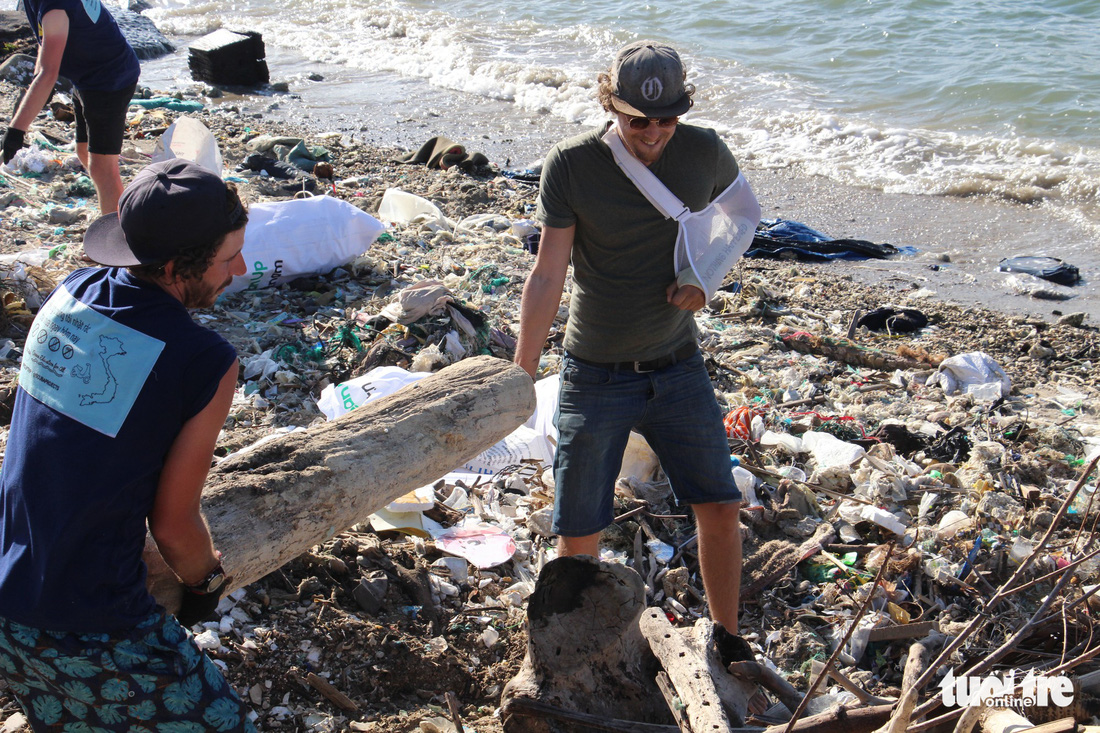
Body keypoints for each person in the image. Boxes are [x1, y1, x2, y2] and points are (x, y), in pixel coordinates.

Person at [0, 159, 255, 731]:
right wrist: (206, 586)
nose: (240, 269)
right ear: (172, 267)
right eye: (226, 258)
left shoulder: (72, 292)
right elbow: (173, 526)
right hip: (85, 622)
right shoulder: (204, 361)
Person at [514, 40, 754, 633]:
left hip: (677, 365)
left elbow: (742, 216)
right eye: (637, 120)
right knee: (579, 534)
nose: (652, 133)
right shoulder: (571, 165)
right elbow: (547, 275)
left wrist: (705, 277)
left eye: (667, 119)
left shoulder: (704, 153)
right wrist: (520, 375)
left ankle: (729, 641)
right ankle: (579, 654)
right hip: (594, 372)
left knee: (722, 509)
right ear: (610, 106)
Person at [2, 0, 140, 214]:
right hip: (86, 76)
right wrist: (38, 79)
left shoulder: (55, 6)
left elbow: (50, 73)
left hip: (110, 79)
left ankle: (118, 236)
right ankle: (120, 213)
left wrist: (16, 130)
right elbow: (45, 40)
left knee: (103, 169)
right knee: (84, 151)